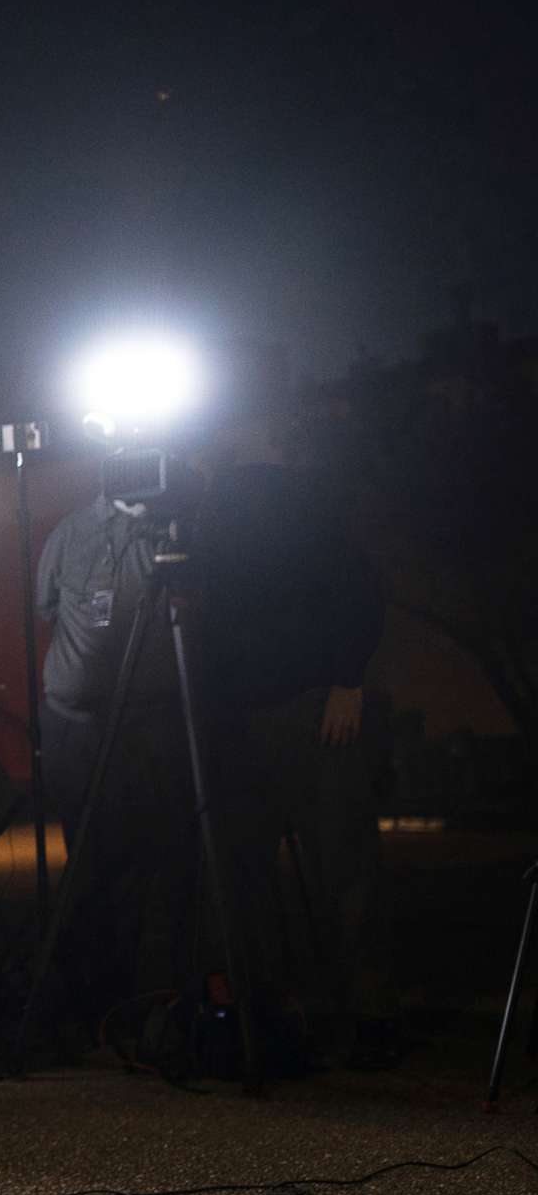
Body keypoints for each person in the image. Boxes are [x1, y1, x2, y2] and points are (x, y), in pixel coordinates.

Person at [195, 445, 389, 1068]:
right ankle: (269, 1013)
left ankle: (363, 1016)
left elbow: (362, 592)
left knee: (341, 868)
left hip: (309, 713)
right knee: (246, 877)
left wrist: (347, 683)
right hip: (240, 720)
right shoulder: (207, 519)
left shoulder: (303, 509)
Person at [32, 478, 198, 1040]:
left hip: (145, 722)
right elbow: (47, 605)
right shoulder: (71, 531)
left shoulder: (174, 526)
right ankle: (88, 1000)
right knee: (86, 861)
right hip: (71, 725)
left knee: (149, 858)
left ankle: (145, 999)